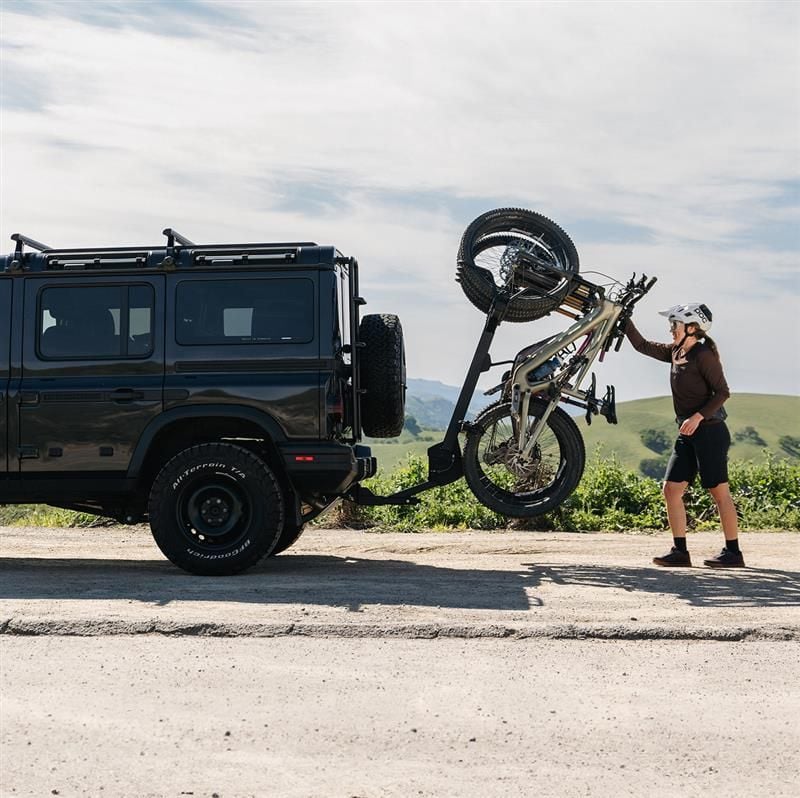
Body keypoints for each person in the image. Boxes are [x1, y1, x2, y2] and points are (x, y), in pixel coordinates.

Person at [626, 303, 744, 568]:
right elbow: (642, 345)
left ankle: (733, 553)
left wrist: (698, 417)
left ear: (692, 328)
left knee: (719, 491)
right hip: (687, 433)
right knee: (671, 490)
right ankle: (680, 551)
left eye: (674, 325)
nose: (671, 329)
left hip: (710, 432)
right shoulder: (676, 351)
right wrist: (623, 318)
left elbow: (723, 392)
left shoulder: (703, 354)